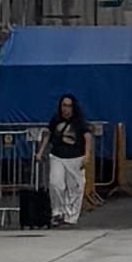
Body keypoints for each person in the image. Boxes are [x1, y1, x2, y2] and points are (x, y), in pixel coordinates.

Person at [42, 92, 92, 228]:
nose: (66, 109)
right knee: (55, 184)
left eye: (69, 106)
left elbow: (87, 137)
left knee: (74, 188)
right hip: (57, 156)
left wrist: (87, 155)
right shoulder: (55, 119)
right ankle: (58, 213)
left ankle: (71, 216)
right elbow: (48, 134)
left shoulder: (79, 122)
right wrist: (40, 152)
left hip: (76, 157)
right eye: (64, 105)